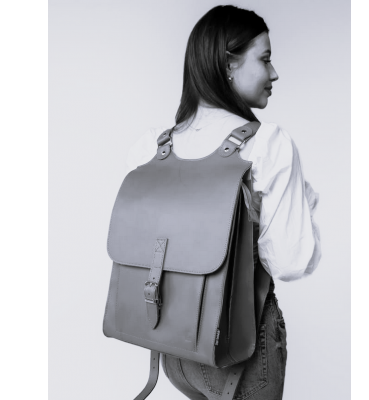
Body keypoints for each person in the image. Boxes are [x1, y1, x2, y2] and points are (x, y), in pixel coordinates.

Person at [126, 5, 321, 400]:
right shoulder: (267, 144)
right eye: (264, 58)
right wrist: (305, 207)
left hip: (174, 349)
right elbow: (290, 261)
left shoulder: (155, 146)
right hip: (238, 351)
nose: (274, 73)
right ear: (229, 64)